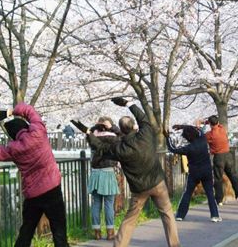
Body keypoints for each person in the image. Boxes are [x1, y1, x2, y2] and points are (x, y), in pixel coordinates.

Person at [71, 97, 180, 247]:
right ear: (134, 126)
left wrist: (89, 133)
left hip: (139, 188)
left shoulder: (119, 148)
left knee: (130, 220)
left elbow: (100, 147)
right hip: (157, 182)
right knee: (167, 214)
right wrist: (128, 103)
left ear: (121, 130)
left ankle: (120, 245)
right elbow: (143, 118)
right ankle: (175, 245)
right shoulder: (145, 135)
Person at [0, 102, 69, 247]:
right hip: (52, 189)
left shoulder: (13, 149)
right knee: (59, 231)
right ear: (25, 126)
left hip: (33, 195)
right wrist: (9, 112)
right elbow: (30, 110)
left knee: (26, 231)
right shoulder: (38, 132)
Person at [164, 124, 221, 222]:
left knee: (188, 193)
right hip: (206, 171)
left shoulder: (188, 148)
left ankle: (180, 215)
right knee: (210, 193)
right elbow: (197, 129)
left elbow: (173, 149)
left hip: (194, 172)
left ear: (187, 137)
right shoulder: (203, 140)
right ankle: (214, 216)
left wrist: (167, 137)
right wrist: (182, 126)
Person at [87, 120, 120, 240]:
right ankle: (110, 232)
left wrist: (94, 126)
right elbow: (122, 136)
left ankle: (97, 232)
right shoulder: (114, 138)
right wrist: (113, 128)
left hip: (95, 173)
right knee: (109, 204)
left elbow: (88, 132)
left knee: (96, 203)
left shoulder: (92, 138)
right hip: (108, 172)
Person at [205, 115, 238, 206]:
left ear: (210, 124)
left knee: (218, 178)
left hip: (218, 157)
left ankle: (219, 200)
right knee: (233, 176)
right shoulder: (222, 130)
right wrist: (210, 122)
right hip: (228, 155)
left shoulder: (210, 135)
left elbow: (202, 137)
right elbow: (217, 124)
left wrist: (202, 124)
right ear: (218, 123)